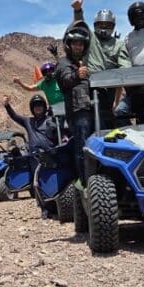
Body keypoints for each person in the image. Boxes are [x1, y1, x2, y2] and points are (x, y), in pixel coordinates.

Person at [70, 0, 128, 126]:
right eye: (101, 24)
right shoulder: (90, 38)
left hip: (111, 90)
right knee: (97, 123)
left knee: (121, 121)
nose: (104, 28)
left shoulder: (119, 44)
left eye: (107, 25)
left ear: (113, 26)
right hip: (93, 88)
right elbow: (81, 24)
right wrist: (78, 10)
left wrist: (117, 101)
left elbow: (124, 71)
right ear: (95, 24)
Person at [56, 23, 94, 183]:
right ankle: (85, 182)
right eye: (75, 43)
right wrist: (77, 75)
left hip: (95, 109)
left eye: (81, 44)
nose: (78, 46)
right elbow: (64, 79)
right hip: (78, 112)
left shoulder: (88, 61)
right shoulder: (64, 62)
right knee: (83, 147)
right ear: (69, 45)